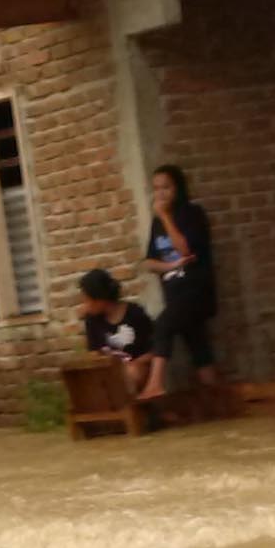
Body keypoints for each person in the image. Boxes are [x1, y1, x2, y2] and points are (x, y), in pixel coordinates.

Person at [138, 164, 219, 400]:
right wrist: (171, 266)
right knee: (198, 347)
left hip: (195, 291)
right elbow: (148, 263)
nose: (161, 194)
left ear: (178, 188)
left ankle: (155, 385)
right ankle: (217, 397)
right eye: (156, 189)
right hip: (174, 292)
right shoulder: (156, 224)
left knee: (163, 326)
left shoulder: (193, 215)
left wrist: (165, 216)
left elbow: (185, 248)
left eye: (166, 187)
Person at [78, 268, 158, 396]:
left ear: (100, 299)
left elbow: (156, 349)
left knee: (131, 373)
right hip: (110, 371)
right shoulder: (92, 320)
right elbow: (94, 354)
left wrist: (136, 363)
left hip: (137, 369)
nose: (85, 305)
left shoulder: (134, 314)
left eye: (87, 300)